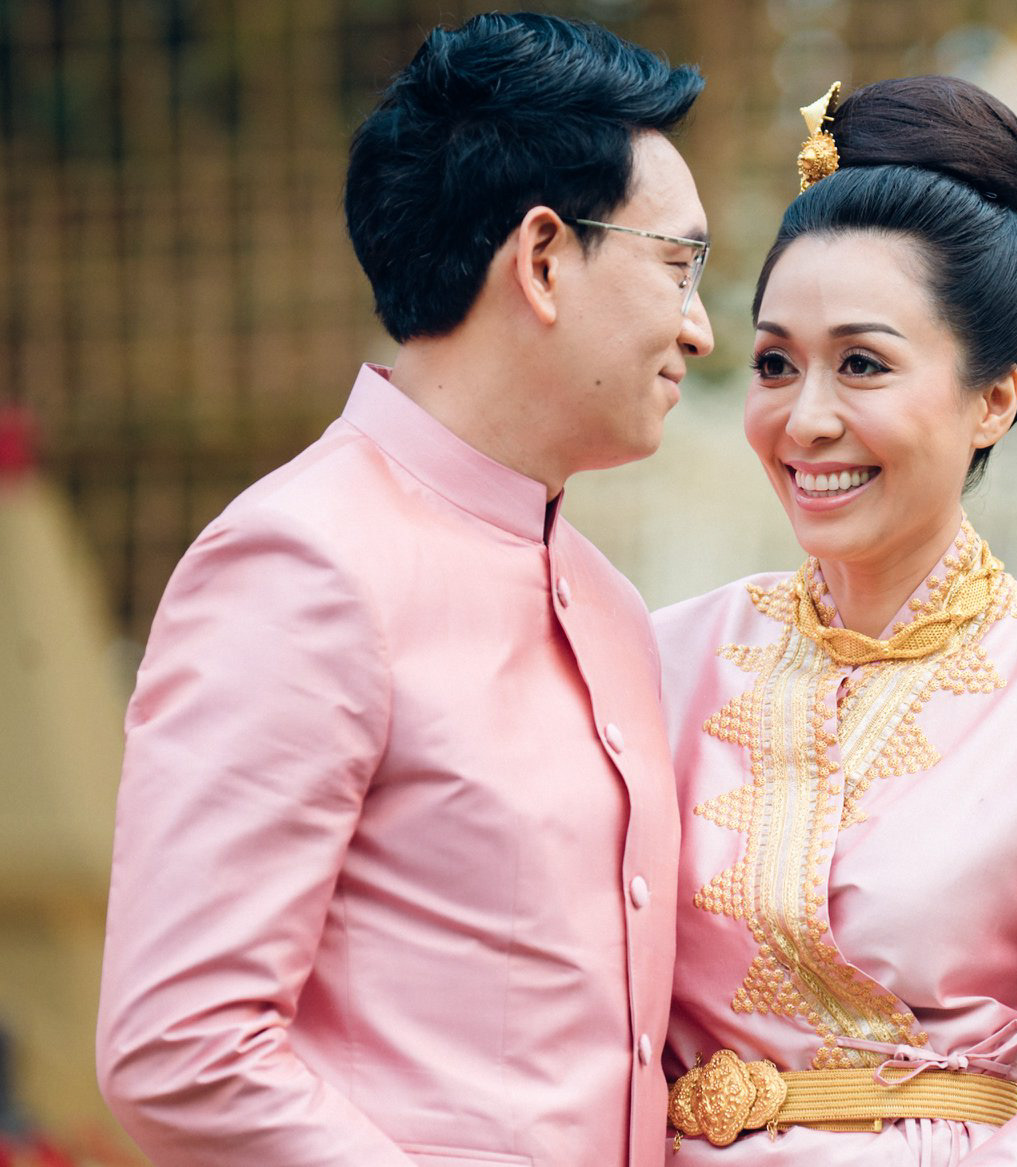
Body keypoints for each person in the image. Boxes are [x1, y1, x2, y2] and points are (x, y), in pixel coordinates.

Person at [95, 14, 713, 1167]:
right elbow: (181, 1044)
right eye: (678, 265)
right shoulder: (301, 565)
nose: (701, 328)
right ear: (542, 259)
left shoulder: (611, 607)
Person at [654, 77, 1017, 1165]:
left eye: (862, 364)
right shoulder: (663, 656)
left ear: (994, 398)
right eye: (775, 363)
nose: (805, 419)